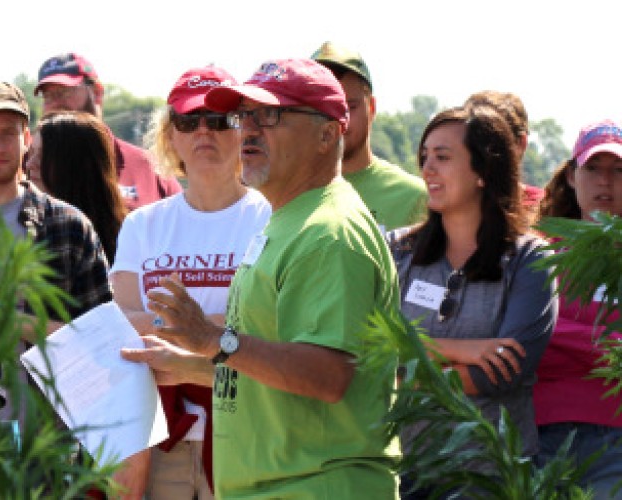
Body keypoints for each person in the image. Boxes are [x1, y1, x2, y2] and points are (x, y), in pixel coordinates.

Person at [121, 58, 401, 498]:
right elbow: (271, 366)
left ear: (328, 133)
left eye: (270, 115)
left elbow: (326, 376)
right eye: (244, 115)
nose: (249, 129)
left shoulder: (328, 232)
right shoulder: (287, 219)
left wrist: (214, 342)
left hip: (315, 486)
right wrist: (192, 365)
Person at [111, 66, 272, 499]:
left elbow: (270, 325)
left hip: (248, 425)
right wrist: (212, 328)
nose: (204, 131)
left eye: (219, 120)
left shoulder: (272, 217)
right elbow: (123, 323)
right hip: (162, 431)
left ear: (244, 131)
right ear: (171, 137)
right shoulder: (143, 224)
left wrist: (175, 327)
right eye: (188, 121)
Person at [387, 106, 556, 498]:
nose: (428, 168)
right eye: (424, 157)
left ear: (483, 171)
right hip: (405, 475)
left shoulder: (531, 259)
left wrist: (404, 370)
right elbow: (368, 351)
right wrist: (460, 350)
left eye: (442, 157)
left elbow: (500, 373)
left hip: (493, 477)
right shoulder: (396, 251)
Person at [0, 81, 112, 321]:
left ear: (27, 139)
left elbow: (100, 336)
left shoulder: (67, 225)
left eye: (9, 133)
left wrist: (15, 322)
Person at [535, 119, 622, 498]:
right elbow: (526, 338)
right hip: (542, 437)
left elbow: (542, 333)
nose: (605, 182)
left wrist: (556, 333)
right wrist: (606, 344)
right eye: (593, 169)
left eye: (618, 171)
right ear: (572, 176)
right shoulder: (540, 254)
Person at [35, 53, 182, 210]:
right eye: (48, 96)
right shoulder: (30, 169)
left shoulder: (149, 169)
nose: (56, 103)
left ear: (97, 93)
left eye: (64, 92)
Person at [312, 41, 428, 231]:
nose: (338, 120)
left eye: (350, 106)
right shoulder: (282, 195)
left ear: (371, 108)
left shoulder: (415, 198)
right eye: (323, 109)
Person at [24, 110, 128, 265]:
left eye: (43, 157)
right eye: (31, 153)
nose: (29, 164)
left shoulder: (130, 238)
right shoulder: (22, 223)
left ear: (76, 165)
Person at [463, 90, 545, 210]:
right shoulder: (448, 206)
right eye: (468, 141)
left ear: (520, 144)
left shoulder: (548, 210)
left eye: (490, 142)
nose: (477, 151)